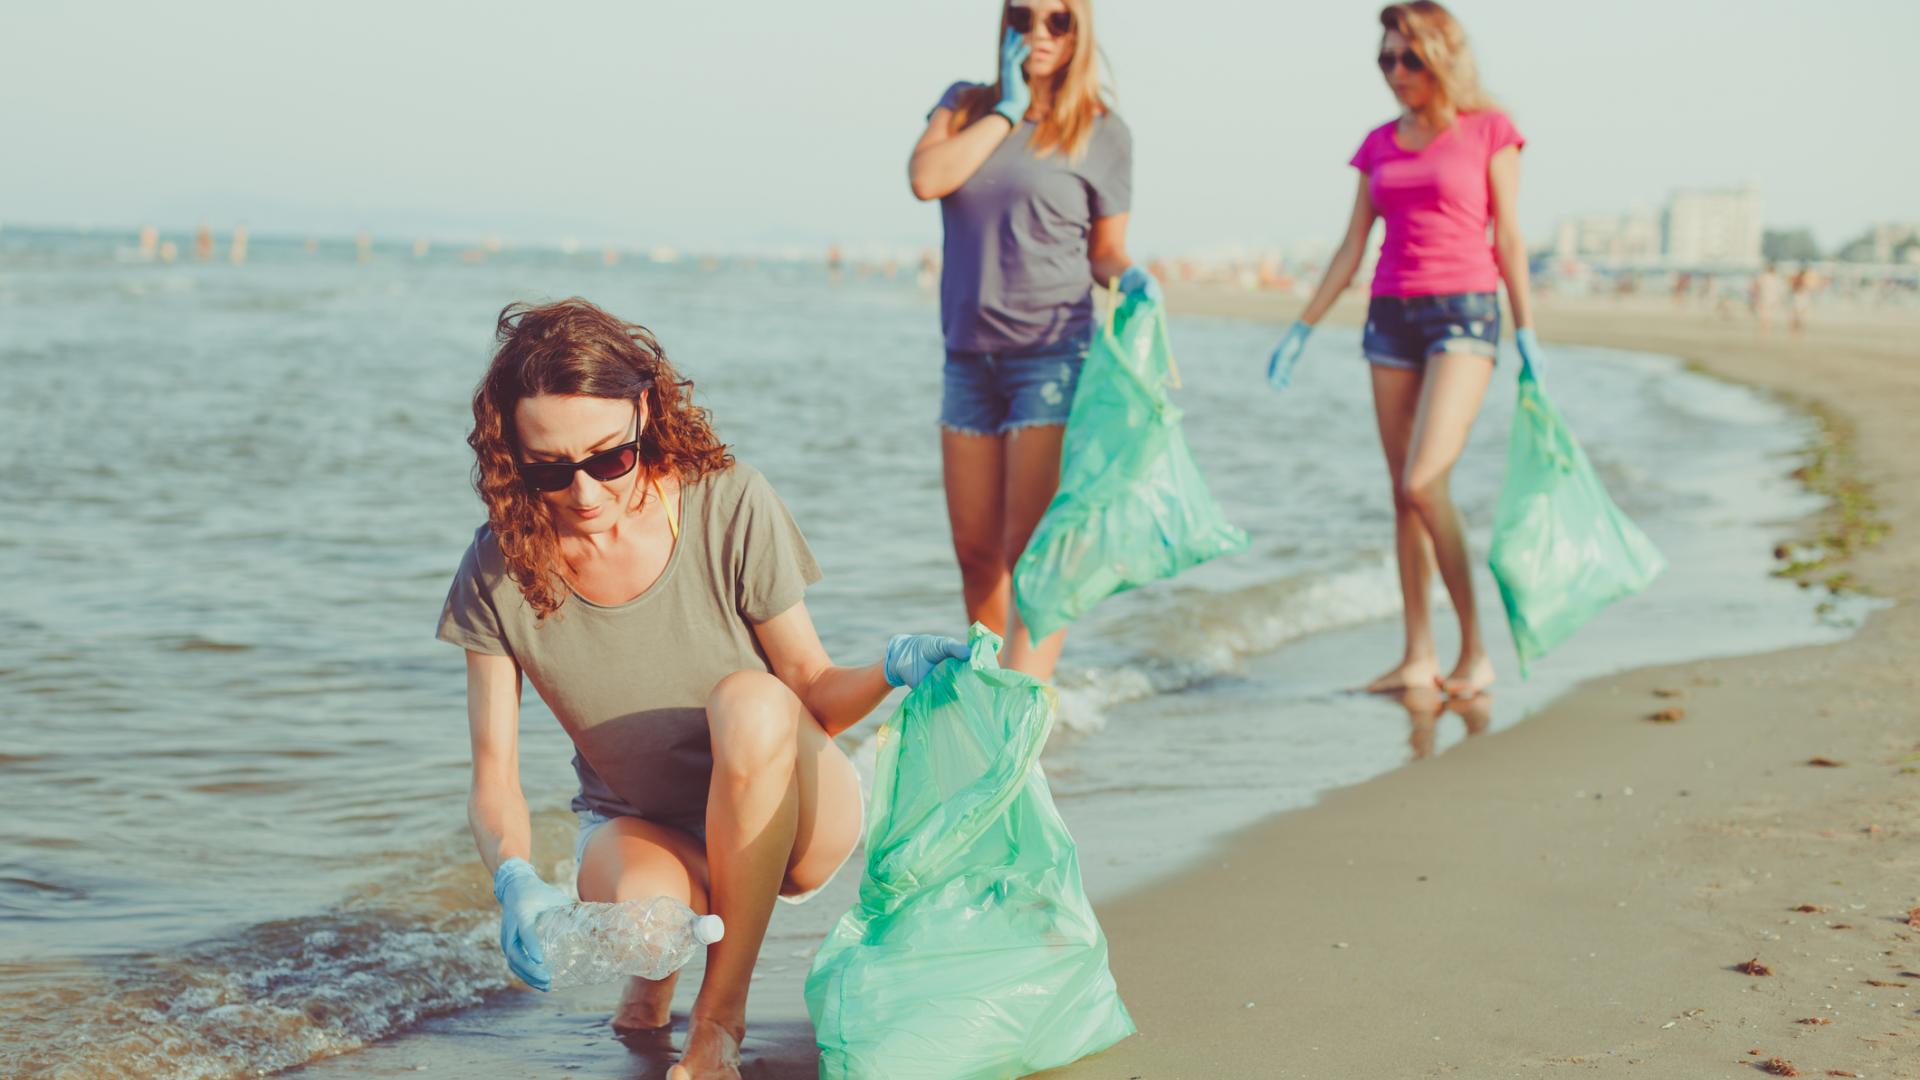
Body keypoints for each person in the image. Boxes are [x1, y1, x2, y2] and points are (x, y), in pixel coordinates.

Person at [436, 299, 966, 1080]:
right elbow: (494, 778)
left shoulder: (729, 503)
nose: (583, 493)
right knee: (652, 933)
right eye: (551, 468)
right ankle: (649, 995)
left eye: (607, 459)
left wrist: (888, 668)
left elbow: (810, 690)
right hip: (644, 826)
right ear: (513, 453)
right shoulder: (496, 569)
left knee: (749, 700)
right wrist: (514, 877)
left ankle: (718, 1023)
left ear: (644, 411)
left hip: (791, 809)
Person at [1264, 1, 1537, 698]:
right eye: (1385, 57)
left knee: (1425, 482)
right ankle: (1418, 654)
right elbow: (1352, 245)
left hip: (1465, 316)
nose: (1395, 70)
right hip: (1390, 317)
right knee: (1401, 496)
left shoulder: (1489, 131)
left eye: (1408, 57)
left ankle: (1475, 651)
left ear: (1442, 56)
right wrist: (1303, 325)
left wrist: (1528, 330)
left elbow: (1508, 237)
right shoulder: (1379, 142)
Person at [908, 0, 1154, 681]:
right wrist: (1007, 111)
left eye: (1058, 19)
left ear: (1081, 31)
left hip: (1051, 356)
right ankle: (992, 698)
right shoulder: (966, 105)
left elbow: (1107, 250)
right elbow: (927, 178)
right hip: (967, 360)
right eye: (1024, 16)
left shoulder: (1103, 131)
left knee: (1030, 555)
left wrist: (1131, 276)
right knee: (976, 554)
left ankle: (1026, 711)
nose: (1039, 32)